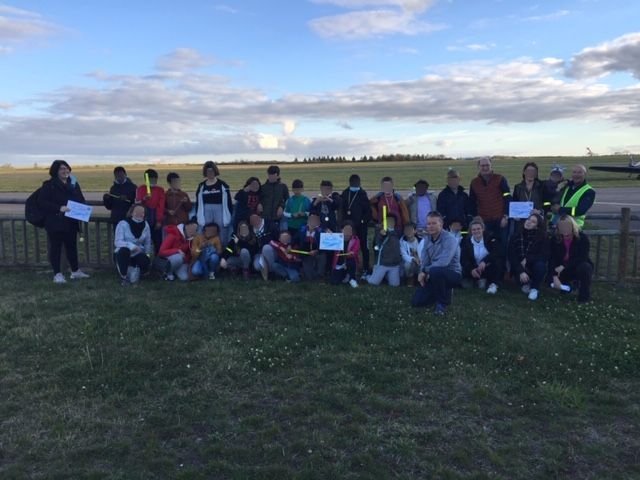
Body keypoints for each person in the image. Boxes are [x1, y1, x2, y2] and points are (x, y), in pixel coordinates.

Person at [37, 159, 90, 283]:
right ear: (55, 171)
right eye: (62, 169)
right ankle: (57, 274)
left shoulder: (74, 184)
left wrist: (83, 208)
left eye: (66, 168)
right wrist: (59, 208)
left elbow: (80, 198)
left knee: (72, 247)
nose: (65, 171)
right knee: (55, 248)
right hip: (55, 222)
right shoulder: (49, 185)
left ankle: (75, 271)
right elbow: (42, 202)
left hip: (71, 221)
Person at [411, 212, 462, 315]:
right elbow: (425, 260)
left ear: (441, 224)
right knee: (417, 302)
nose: (431, 226)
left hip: (452, 273)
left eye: (434, 223)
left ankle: (442, 304)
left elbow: (444, 262)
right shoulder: (427, 239)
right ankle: (443, 291)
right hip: (432, 273)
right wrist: (421, 271)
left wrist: (425, 271)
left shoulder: (450, 239)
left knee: (436, 271)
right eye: (429, 224)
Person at [549, 215, 593, 303]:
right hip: (560, 269)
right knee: (552, 282)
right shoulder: (554, 239)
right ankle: (568, 286)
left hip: (576, 266)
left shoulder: (582, 238)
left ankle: (584, 297)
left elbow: (582, 257)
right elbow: (552, 258)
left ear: (573, 226)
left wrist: (564, 266)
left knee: (585, 267)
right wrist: (554, 275)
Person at [469, 157, 511, 248]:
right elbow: (472, 202)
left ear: (491, 166)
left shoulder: (500, 179)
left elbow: (507, 197)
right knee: (487, 245)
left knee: (502, 245)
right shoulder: (474, 182)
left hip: (500, 219)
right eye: (482, 166)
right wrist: (476, 218)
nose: (485, 168)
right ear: (478, 167)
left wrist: (505, 216)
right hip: (484, 221)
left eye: (487, 165)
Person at [508, 213, 549, 301]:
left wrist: (527, 259)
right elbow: (512, 256)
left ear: (537, 226)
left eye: (533, 222)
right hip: (518, 266)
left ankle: (534, 288)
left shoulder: (543, 238)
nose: (529, 222)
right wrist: (521, 271)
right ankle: (525, 282)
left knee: (541, 266)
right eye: (528, 219)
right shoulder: (515, 236)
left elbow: (543, 255)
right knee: (522, 283)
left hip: (533, 265)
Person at [460, 217, 503, 294]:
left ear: (483, 229)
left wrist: (484, 262)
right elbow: (464, 259)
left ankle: (493, 284)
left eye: (478, 229)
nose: (476, 231)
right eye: (474, 229)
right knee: (466, 284)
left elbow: (496, 252)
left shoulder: (490, 238)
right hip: (474, 268)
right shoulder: (467, 242)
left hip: (487, 267)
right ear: (471, 231)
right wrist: (471, 269)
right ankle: (478, 280)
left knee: (497, 262)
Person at [340, 174, 372, 276]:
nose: (355, 185)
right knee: (347, 246)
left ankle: (365, 268)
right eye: (353, 183)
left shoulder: (362, 194)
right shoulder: (345, 193)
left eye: (357, 183)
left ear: (359, 183)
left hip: (361, 227)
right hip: (348, 226)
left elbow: (368, 211)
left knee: (364, 247)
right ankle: (346, 267)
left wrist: (363, 221)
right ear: (350, 183)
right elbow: (342, 209)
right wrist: (344, 224)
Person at [114, 204, 152, 286]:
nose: (139, 214)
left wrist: (147, 255)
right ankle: (124, 276)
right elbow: (118, 242)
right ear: (131, 213)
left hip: (138, 252)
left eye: (142, 212)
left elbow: (147, 242)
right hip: (123, 252)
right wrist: (132, 246)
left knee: (144, 260)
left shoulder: (146, 225)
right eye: (137, 212)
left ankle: (137, 272)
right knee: (124, 251)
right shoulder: (123, 224)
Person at [551, 164, 595, 229]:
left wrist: (560, 209)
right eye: (574, 172)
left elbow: (580, 210)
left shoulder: (589, 191)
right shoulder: (567, 186)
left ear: (585, 175)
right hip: (556, 223)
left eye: (579, 172)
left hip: (574, 226)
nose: (576, 175)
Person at [512, 162, 549, 231]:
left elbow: (547, 203)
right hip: (521, 221)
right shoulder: (518, 187)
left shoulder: (542, 186)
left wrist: (540, 211)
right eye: (528, 171)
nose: (530, 173)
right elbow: (514, 203)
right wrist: (515, 214)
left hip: (537, 220)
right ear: (524, 172)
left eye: (533, 171)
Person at [367, 212, 402, 287]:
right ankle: (368, 276)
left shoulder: (398, 233)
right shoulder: (379, 231)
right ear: (383, 222)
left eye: (392, 220)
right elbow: (376, 245)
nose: (390, 222)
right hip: (382, 263)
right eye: (387, 220)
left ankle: (385, 276)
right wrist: (380, 235)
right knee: (373, 283)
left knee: (395, 285)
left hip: (394, 264)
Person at [135, 168, 165, 254]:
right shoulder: (141, 189)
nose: (153, 181)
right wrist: (144, 199)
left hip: (155, 218)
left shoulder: (160, 190)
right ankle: (143, 258)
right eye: (151, 179)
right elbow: (137, 204)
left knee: (158, 242)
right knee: (142, 241)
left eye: (154, 179)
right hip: (143, 219)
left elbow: (161, 206)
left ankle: (158, 259)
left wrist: (159, 221)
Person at [436, 169, 472, 235]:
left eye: (455, 179)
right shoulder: (442, 195)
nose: (453, 181)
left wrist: (465, 224)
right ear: (447, 180)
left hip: (463, 228)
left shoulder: (464, 195)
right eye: (451, 179)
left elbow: (468, 212)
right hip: (448, 229)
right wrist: (450, 224)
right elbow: (441, 213)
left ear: (459, 179)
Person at [103, 166, 137, 231]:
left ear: (125, 174)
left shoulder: (133, 187)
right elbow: (109, 206)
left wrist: (128, 198)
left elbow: (136, 202)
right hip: (116, 219)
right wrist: (106, 199)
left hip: (129, 219)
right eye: (117, 175)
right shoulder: (113, 188)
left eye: (121, 175)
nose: (119, 177)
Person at [296, 212, 326, 280]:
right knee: (309, 277)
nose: (313, 222)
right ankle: (305, 272)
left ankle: (320, 275)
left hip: (318, 252)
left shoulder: (322, 231)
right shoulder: (302, 230)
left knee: (322, 257)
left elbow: (325, 246)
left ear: (319, 222)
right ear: (308, 221)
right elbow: (294, 240)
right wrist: (289, 246)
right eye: (311, 220)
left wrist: (316, 251)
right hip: (305, 253)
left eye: (315, 220)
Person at [329, 222, 360, 288]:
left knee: (351, 261)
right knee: (334, 282)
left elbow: (355, 252)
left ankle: (352, 278)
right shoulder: (336, 238)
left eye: (350, 230)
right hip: (339, 263)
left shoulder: (355, 239)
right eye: (346, 229)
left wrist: (351, 253)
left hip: (349, 261)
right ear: (341, 230)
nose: (347, 231)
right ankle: (345, 275)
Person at [249, 213, 279, 280]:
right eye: (252, 219)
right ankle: (264, 272)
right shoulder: (250, 230)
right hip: (259, 253)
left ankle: (271, 272)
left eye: (255, 218)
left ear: (259, 217)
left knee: (266, 248)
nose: (254, 220)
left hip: (271, 250)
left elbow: (277, 238)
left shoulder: (270, 224)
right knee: (257, 266)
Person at [259, 165, 289, 231]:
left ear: (278, 175)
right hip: (265, 217)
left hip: (277, 217)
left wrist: (282, 207)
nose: (271, 177)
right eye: (270, 175)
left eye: (273, 175)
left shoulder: (283, 187)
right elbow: (259, 199)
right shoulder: (263, 187)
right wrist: (259, 204)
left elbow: (287, 200)